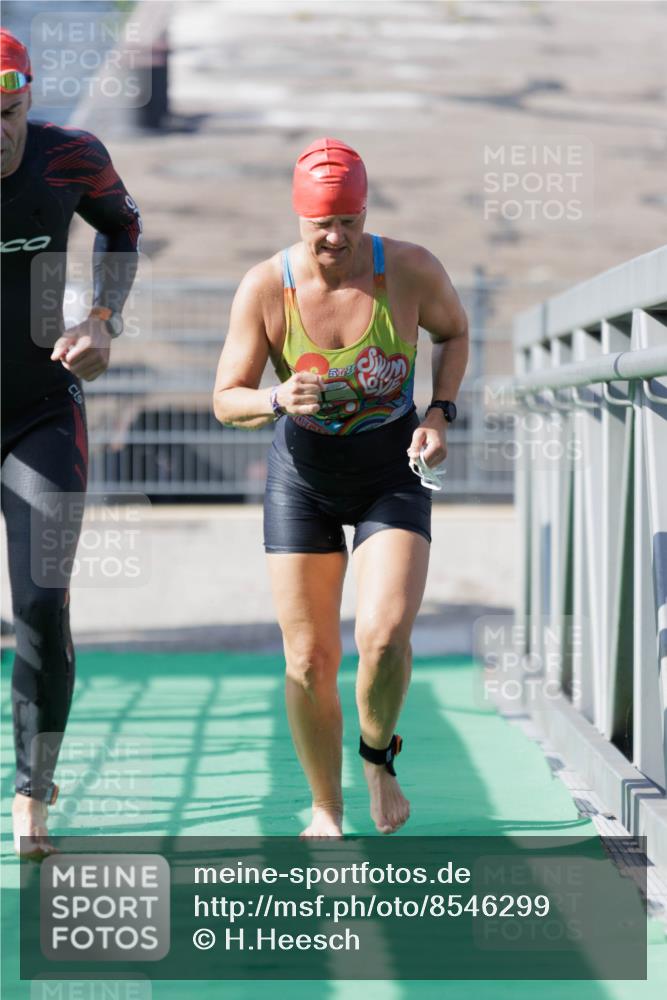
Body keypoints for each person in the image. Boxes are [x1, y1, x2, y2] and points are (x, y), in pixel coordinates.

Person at [213, 137, 468, 837]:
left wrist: (440, 412)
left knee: (383, 638)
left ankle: (377, 757)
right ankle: (326, 807)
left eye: (348, 222)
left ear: (365, 213)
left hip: (391, 472)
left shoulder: (409, 269)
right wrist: (274, 398)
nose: (334, 237)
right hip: (304, 481)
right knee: (308, 660)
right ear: (298, 216)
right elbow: (226, 398)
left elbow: (454, 333)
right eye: (320, 224)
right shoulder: (266, 288)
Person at [1, 29, 141, 858]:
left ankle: (32, 792)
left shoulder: (69, 157)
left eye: (8, 112)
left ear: (27, 98)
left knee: (41, 604)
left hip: (40, 413)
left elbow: (122, 226)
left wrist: (101, 319)